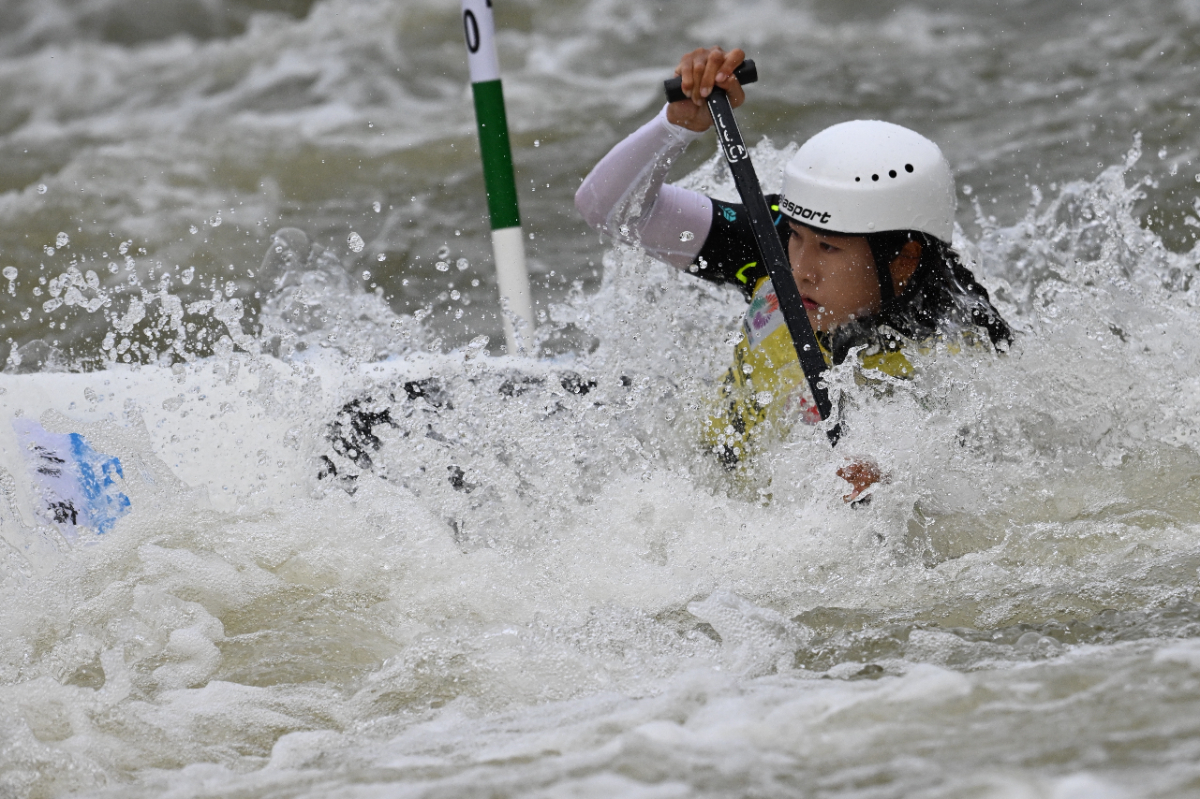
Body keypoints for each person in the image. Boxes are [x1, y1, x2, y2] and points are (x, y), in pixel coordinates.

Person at [575, 47, 1012, 501]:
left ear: (904, 261)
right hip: (701, 487)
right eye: (798, 238)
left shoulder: (956, 352)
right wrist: (676, 126)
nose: (800, 270)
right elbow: (608, 210)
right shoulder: (771, 241)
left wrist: (896, 488)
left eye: (829, 248)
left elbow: (985, 487)